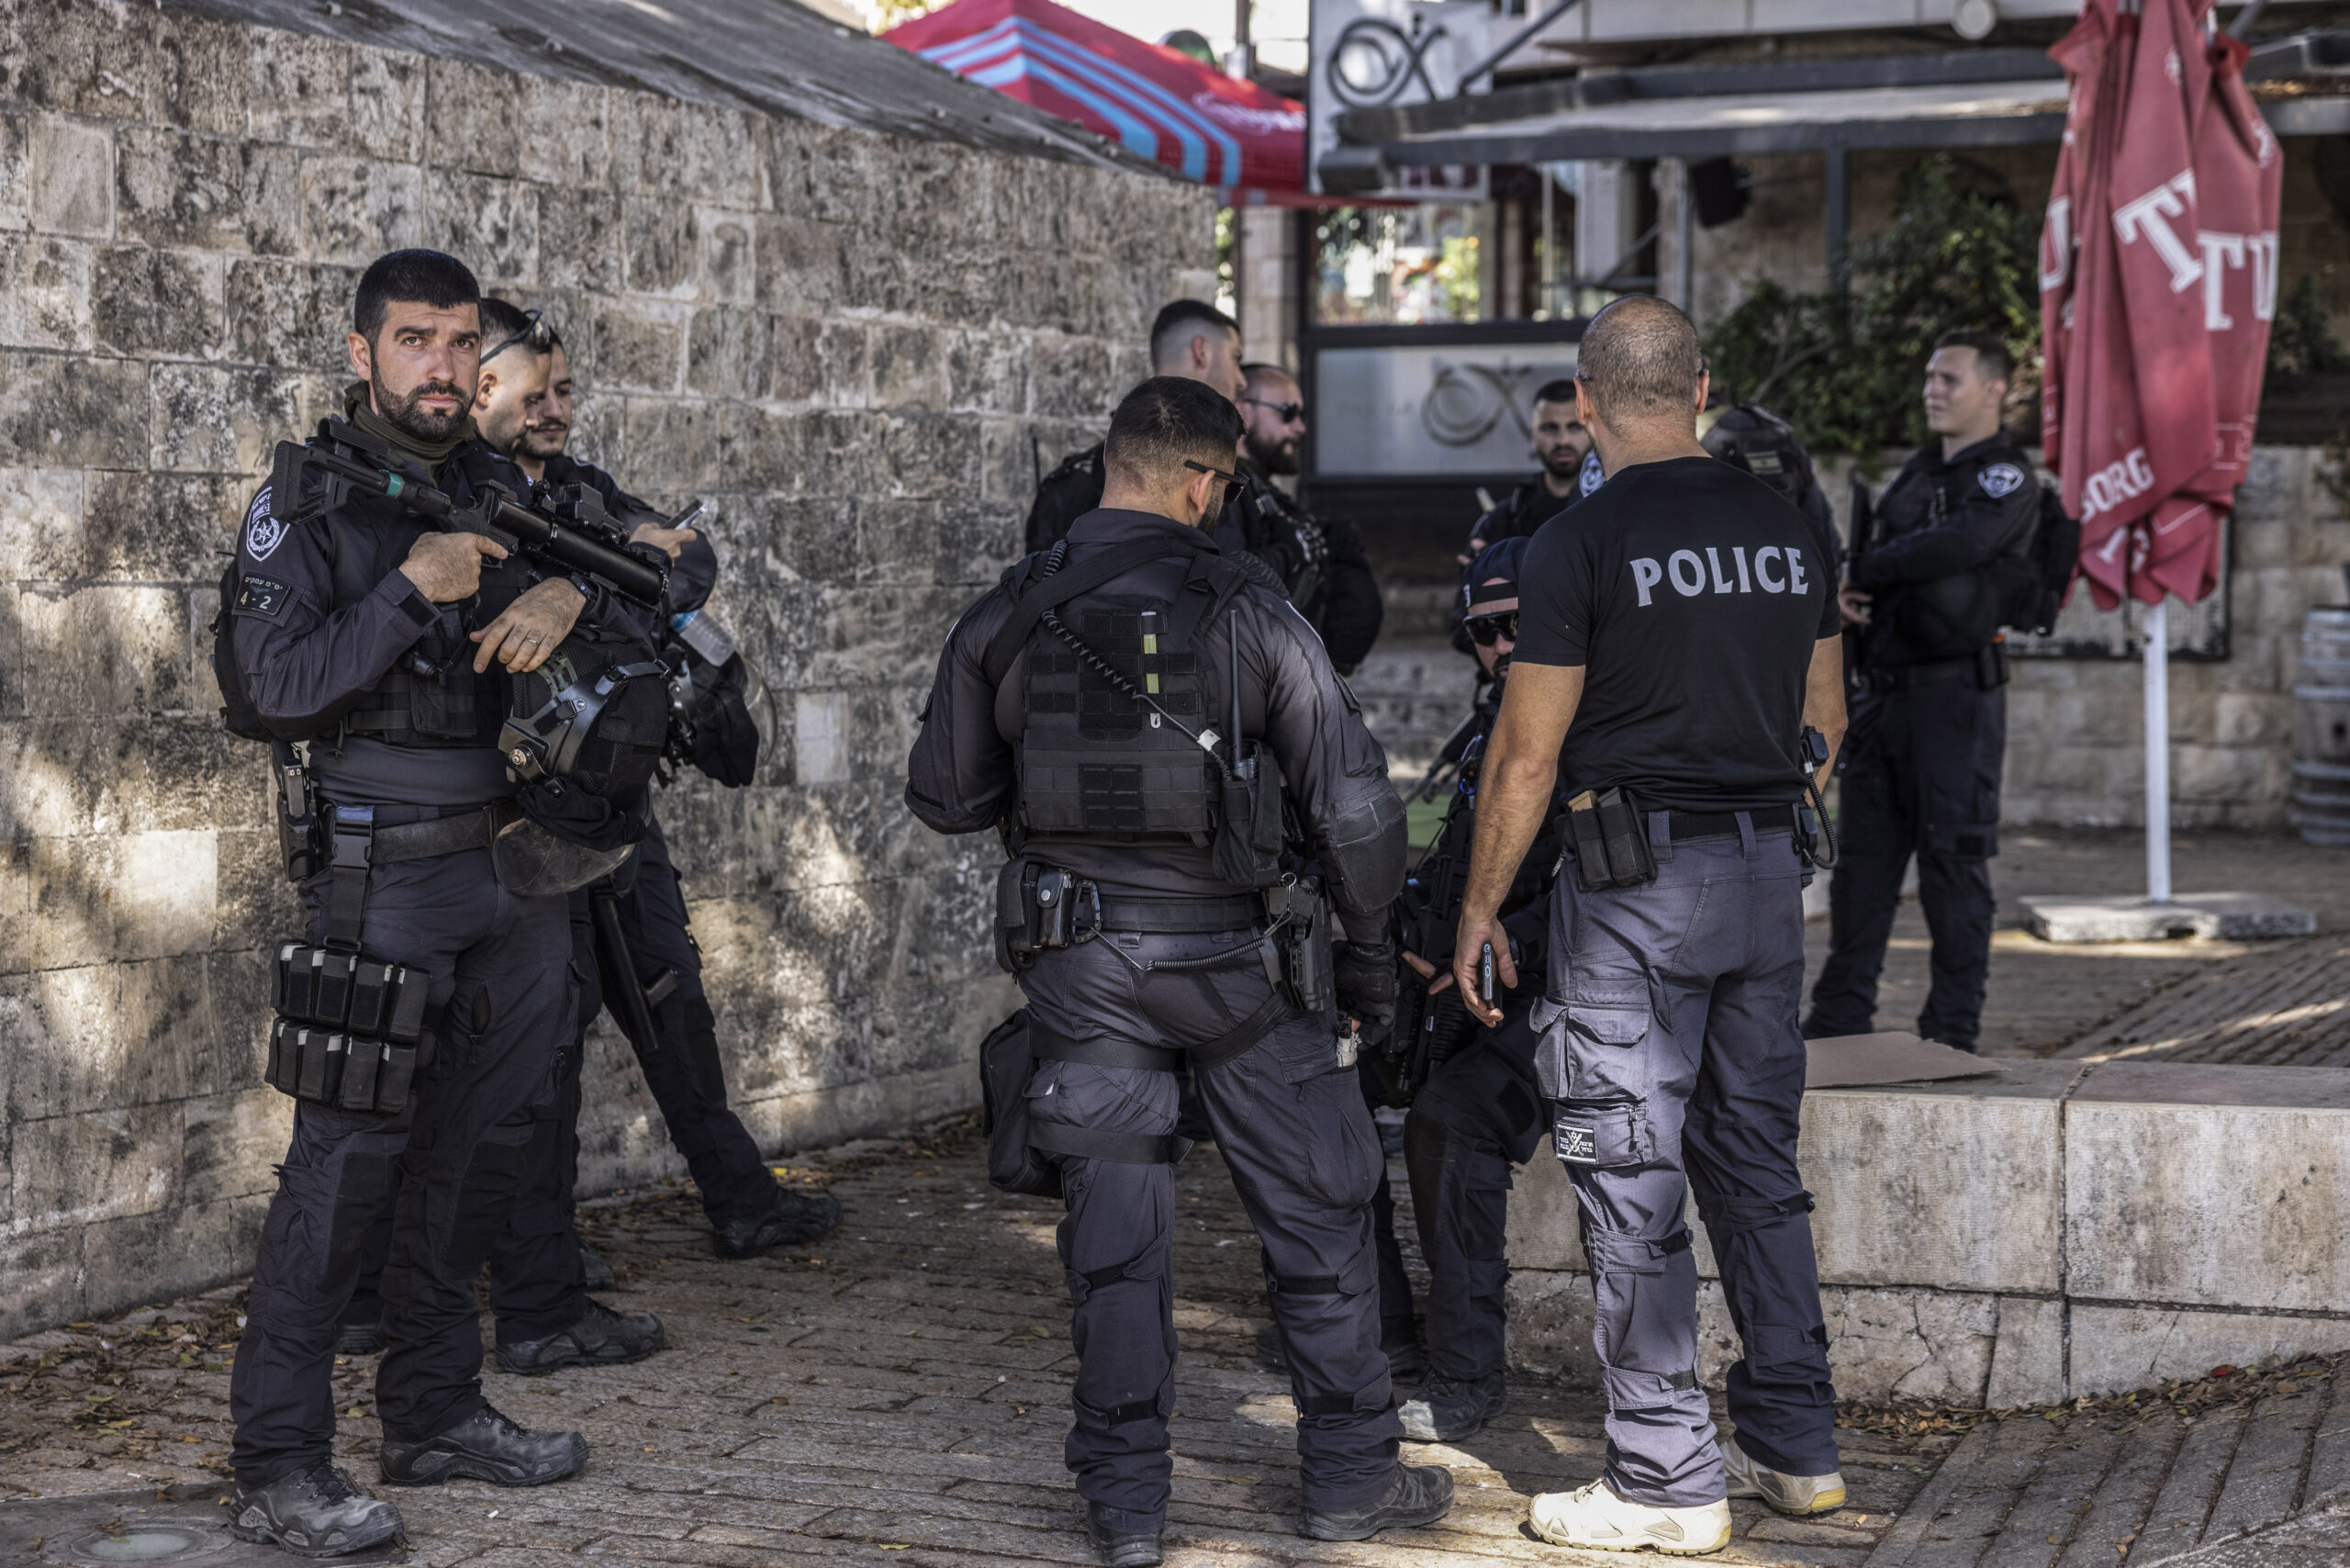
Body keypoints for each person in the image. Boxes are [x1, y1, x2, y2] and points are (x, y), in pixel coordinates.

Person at [908, 377, 1453, 1565]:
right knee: (1318, 1211)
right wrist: (1369, 966)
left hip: (1085, 965)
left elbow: (946, 796)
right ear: (1205, 481)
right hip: (1244, 966)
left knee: (1116, 1241)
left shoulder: (1010, 609)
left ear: (1113, 466)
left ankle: (1127, 1506)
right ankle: (1352, 1479)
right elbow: (1357, 813)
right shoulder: (1251, 605)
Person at [221, 251, 610, 1555]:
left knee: (478, 1161)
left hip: (514, 873)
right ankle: (281, 1465)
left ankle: (436, 1411)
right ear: (362, 353)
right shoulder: (304, 501)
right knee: (341, 1175)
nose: (442, 365)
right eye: (415, 341)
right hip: (381, 877)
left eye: (459, 342)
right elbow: (269, 691)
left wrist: (566, 592)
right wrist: (408, 590)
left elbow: (625, 607)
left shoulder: (501, 487)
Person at [1449, 296, 1850, 1554]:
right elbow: (1824, 722)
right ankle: (1797, 1451)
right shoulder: (1787, 528)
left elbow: (1524, 756)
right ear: (1701, 388)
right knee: (1755, 1168)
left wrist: (1476, 905)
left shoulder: (1576, 541)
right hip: (1763, 881)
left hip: (1634, 891)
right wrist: (1763, 823)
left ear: (1582, 402)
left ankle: (1667, 1485)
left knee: (1630, 1175)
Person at [1803, 329, 2037, 1054]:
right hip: (1886, 699)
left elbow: (1958, 546)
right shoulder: (1916, 473)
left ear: (1994, 390)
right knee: (1863, 869)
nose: (1933, 389)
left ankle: (1952, 1032)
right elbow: (1879, 560)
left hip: (1955, 707)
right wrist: (1851, 587)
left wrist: (1866, 570)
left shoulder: (2003, 476)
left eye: (1950, 379)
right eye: (1930, 377)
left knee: (1952, 868)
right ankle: (1840, 1022)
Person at [1378, 537, 1558, 1446]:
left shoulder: (1595, 719)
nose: (1502, 647)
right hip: (1476, 986)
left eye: (1521, 626)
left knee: (1451, 1118)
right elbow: (1447, 864)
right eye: (1485, 633)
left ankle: (1465, 1374)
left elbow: (1611, 895)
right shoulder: (1489, 724)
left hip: (1572, 990)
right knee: (1304, 1079)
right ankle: (1378, 1332)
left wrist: (1493, 947)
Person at [1024, 299, 1247, 553]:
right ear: (1202, 352)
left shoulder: (1078, 476)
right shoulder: (1077, 482)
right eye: (1235, 358)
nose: (1242, 381)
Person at [1223, 362, 1382, 674]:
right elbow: (1227, 588)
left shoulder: (1265, 493)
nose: (1300, 427)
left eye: (1302, 415)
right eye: (1287, 411)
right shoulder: (1229, 492)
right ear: (1244, 412)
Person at [1464, 379, 1595, 558]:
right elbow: (1469, 577)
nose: (1563, 440)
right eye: (1550, 428)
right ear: (1534, 435)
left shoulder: (1613, 510)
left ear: (1592, 430)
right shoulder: (1503, 520)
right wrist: (1477, 572)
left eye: (1574, 427)